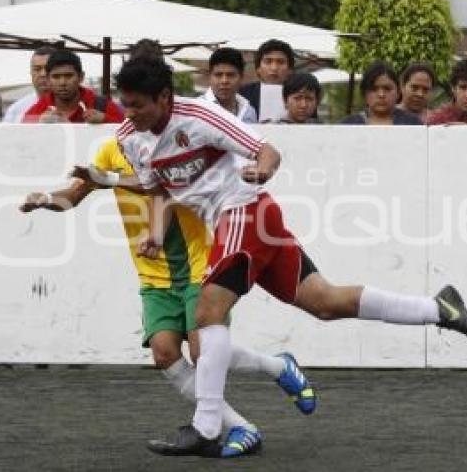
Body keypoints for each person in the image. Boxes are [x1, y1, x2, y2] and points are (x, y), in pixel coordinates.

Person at [84, 57, 467, 458]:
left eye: (138, 105)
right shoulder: (129, 137)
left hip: (245, 209)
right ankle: (440, 308)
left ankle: (206, 427)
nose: (130, 113)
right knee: (326, 303)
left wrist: (262, 171)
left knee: (207, 311)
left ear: (166, 97)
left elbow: (267, 151)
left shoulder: (200, 116)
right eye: (126, 103)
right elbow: (158, 190)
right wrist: (153, 232)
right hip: (250, 225)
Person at [21, 138, 314, 458]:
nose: (132, 114)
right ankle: (247, 418)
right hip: (152, 274)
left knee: (203, 352)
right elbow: (76, 193)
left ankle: (272, 372)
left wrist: (109, 179)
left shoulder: (174, 145)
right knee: (164, 353)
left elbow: (158, 186)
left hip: (197, 265)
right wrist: (46, 198)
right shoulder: (109, 151)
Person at [31, 49, 124, 124]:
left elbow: (131, 136)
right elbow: (22, 144)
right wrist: (38, 127)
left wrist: (106, 120)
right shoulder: (36, 111)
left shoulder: (103, 107)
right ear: (48, 79)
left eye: (69, 75)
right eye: (56, 77)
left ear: (81, 77)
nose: (62, 82)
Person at [341, 62, 423, 125]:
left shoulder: (412, 123)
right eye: (374, 89)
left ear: (398, 92)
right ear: (364, 94)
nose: (381, 94)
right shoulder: (349, 124)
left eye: (387, 89)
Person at [239, 39, 295, 122]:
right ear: (258, 68)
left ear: (290, 69)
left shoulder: (299, 94)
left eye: (280, 62)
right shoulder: (243, 94)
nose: (274, 68)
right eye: (268, 62)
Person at [200, 48, 257, 123]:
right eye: (218, 75)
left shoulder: (249, 112)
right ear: (210, 77)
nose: (224, 81)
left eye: (230, 75)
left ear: (241, 77)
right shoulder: (197, 109)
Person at [2, 46, 56, 123]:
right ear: (30, 73)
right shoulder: (15, 110)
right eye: (37, 69)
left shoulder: (74, 105)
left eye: (48, 69)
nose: (43, 74)